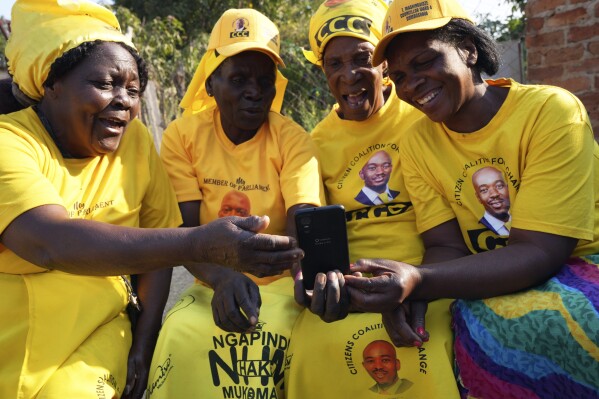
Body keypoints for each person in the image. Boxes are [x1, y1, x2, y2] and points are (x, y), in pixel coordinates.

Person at [0, 2, 302, 399]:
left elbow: (157, 245)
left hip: (101, 328)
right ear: (51, 84)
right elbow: (49, 243)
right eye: (106, 84)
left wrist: (144, 342)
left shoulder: (136, 142)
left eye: (133, 90)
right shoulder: (11, 143)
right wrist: (198, 243)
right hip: (19, 330)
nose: (124, 100)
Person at [345, 0, 599, 397]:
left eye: (424, 62)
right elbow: (445, 245)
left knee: (559, 323)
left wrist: (419, 281)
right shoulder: (416, 142)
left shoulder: (551, 112)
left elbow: (541, 250)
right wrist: (411, 297)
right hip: (499, 270)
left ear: (468, 48)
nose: (411, 85)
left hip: (580, 261)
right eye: (399, 76)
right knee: (466, 323)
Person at [285, 0, 460, 398]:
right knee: (314, 350)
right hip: (351, 284)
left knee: (429, 352)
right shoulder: (315, 143)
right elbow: (306, 223)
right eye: (334, 64)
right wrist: (312, 279)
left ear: (384, 63)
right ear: (323, 71)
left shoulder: (423, 118)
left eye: (362, 57)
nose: (349, 75)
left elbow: (450, 232)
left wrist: (420, 287)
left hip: (430, 273)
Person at [147, 8, 323, 399]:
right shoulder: (182, 136)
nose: (255, 92)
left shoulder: (292, 139)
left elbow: (304, 218)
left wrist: (299, 274)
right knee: (178, 336)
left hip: (279, 282)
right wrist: (222, 277)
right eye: (238, 79)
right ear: (210, 84)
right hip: (209, 278)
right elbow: (184, 231)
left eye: (265, 81)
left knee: (284, 341)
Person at [472, 166, 511, 235]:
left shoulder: (524, 218)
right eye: (484, 190)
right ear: (478, 197)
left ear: (508, 189)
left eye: (499, 186)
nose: (494, 194)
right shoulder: (476, 228)